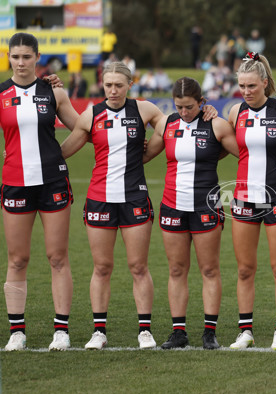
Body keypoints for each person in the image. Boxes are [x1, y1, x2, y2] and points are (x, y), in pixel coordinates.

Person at [60, 61, 165, 350]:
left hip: (134, 197)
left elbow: (171, 127)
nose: (113, 90)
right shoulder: (91, 114)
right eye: (108, 85)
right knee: (102, 266)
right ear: (102, 85)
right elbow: (64, 150)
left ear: (130, 84)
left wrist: (149, 153)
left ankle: (145, 330)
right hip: (99, 198)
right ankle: (99, 331)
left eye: (119, 85)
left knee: (138, 266)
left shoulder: (144, 109)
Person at [143, 77, 238, 350]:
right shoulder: (167, 124)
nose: (184, 113)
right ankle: (178, 332)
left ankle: (209, 332)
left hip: (206, 206)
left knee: (209, 269)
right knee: (176, 269)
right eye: (179, 107)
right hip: (172, 205)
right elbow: (145, 155)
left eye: (189, 107)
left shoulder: (216, 125)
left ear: (202, 103)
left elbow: (245, 154)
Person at [1, 32, 79, 351]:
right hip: (15, 183)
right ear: (9, 58)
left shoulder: (53, 92)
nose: (21, 63)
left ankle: (61, 330)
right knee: (17, 258)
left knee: (57, 257)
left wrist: (59, 154)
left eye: (27, 57)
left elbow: (83, 128)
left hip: (53, 183)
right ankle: (17, 332)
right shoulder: (1, 93)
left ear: (37, 57)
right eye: (15, 57)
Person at [227, 52, 276, 351]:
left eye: (251, 86)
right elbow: (230, 145)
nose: (246, 92)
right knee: (245, 268)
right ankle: (245, 331)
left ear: (265, 82)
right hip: (243, 198)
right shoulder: (235, 112)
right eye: (242, 86)